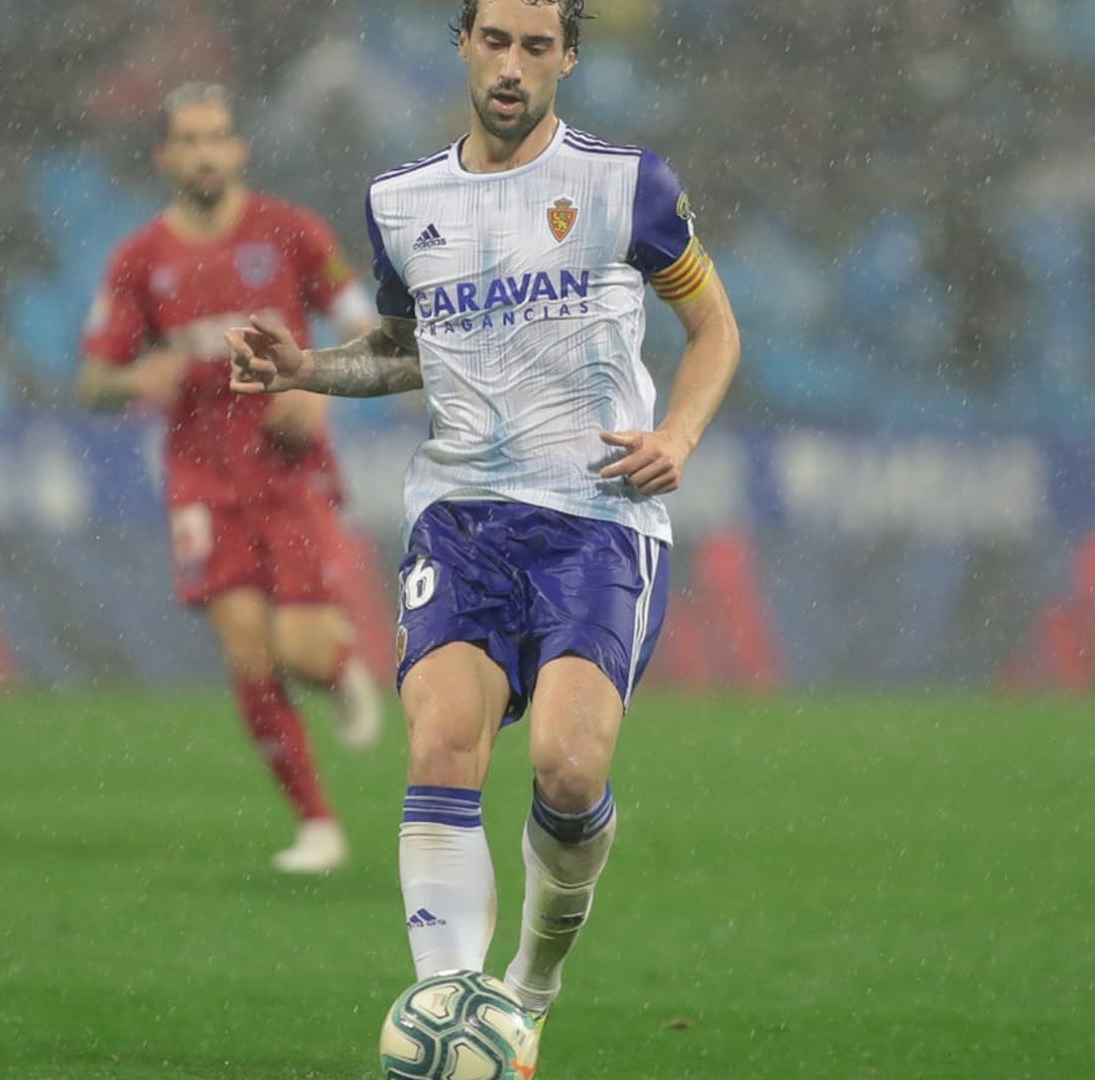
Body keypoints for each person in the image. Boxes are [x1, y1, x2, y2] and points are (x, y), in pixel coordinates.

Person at [227, 0, 741, 1066]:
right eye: (495, 42)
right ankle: (451, 1018)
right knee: (441, 741)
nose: (512, 66)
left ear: (568, 58)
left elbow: (715, 327)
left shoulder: (625, 184)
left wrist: (680, 435)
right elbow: (412, 347)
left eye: (536, 47)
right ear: (463, 43)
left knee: (564, 765)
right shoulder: (402, 200)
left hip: (599, 516)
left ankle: (529, 984)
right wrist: (309, 369)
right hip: (460, 516)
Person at [78, 82, 384, 875]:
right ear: (168, 156)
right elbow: (92, 381)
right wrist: (137, 377)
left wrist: (317, 393)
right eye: (191, 139)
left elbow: (368, 333)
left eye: (218, 136)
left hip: (289, 475)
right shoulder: (139, 260)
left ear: (238, 148)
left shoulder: (293, 234)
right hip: (202, 482)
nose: (206, 151)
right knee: (248, 653)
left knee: (301, 647)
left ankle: (339, 669)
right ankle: (317, 823)